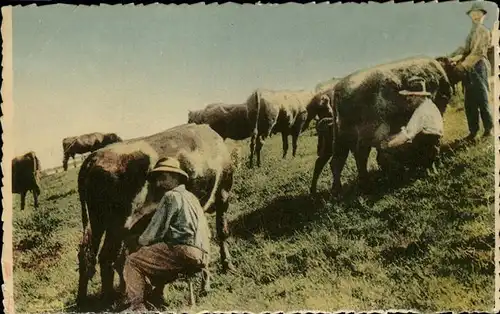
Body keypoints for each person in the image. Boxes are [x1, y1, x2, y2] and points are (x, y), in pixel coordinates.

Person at [121, 157, 211, 311]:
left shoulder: (170, 197)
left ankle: (137, 307)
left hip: (183, 251)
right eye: (156, 179)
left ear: (175, 177)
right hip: (204, 254)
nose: (158, 183)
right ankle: (157, 296)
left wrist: (138, 240)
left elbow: (153, 232)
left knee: (133, 261)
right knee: (158, 254)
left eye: (163, 178)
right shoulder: (192, 197)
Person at [449, 2, 493, 140]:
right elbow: (465, 51)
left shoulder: (484, 31)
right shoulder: (471, 34)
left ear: (483, 15)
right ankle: (473, 132)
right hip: (468, 69)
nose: (476, 16)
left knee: (482, 98)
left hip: (479, 66)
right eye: (473, 13)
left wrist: (462, 65)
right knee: (470, 102)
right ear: (470, 16)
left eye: (479, 13)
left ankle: (488, 130)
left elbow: (478, 52)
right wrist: (452, 58)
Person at [382, 76, 444, 148]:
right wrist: (391, 138)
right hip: (429, 144)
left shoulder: (422, 111)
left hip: (427, 148)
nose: (408, 98)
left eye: (411, 95)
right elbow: (408, 131)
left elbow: (405, 136)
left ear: (419, 96)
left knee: (391, 153)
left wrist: (387, 145)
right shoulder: (427, 105)